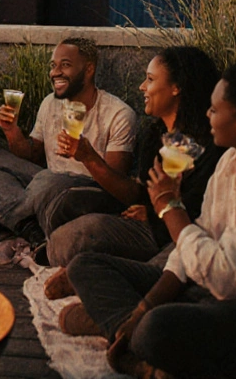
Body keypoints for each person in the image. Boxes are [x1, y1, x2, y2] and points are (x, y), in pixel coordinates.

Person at [66, 62, 236, 379]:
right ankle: (127, 331)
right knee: (85, 266)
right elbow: (201, 235)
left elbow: (223, 275)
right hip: (216, 291)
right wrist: (143, 307)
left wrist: (170, 207)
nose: (207, 117)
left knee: (158, 329)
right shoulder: (231, 159)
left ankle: (124, 331)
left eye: (215, 110)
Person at [43, 46, 221, 291]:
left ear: (176, 87)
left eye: (150, 79)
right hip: (143, 217)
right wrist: (88, 157)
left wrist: (152, 211)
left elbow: (196, 207)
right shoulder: (157, 133)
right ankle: (87, 264)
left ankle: (98, 272)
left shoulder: (200, 141)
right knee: (67, 202)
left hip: (170, 231)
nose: (142, 87)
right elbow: (138, 192)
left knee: (77, 236)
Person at [0, 37, 136, 255]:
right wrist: (12, 131)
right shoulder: (50, 103)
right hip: (46, 184)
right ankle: (28, 227)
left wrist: (86, 156)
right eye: (53, 65)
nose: (54, 72)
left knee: (47, 179)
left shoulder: (119, 114)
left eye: (65, 65)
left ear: (88, 70)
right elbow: (32, 155)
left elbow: (117, 188)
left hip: (83, 193)